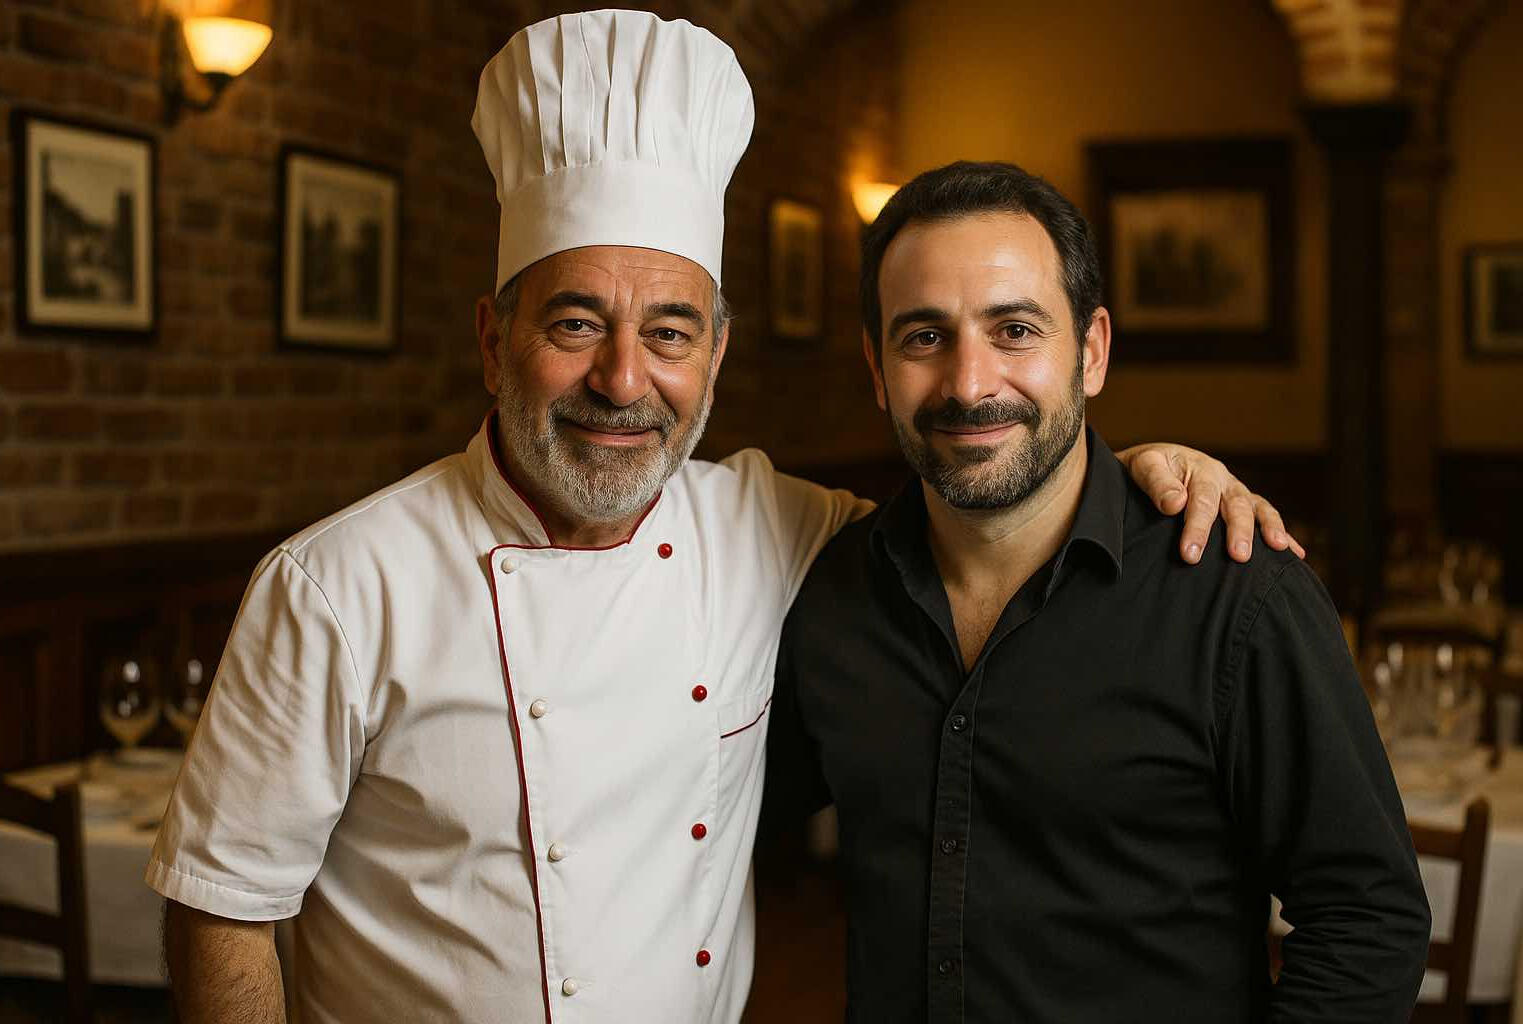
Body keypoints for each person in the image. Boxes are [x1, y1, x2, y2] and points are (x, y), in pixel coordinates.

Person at [149, 14, 1297, 1024]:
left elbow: (989, 504)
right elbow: (221, 906)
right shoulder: (335, 584)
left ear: (717, 353)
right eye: (573, 323)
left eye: (669, 332)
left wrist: (1141, 471)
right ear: (494, 342)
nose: (622, 379)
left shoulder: (769, 526)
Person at [765, 160, 1432, 1023]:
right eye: (924, 337)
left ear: (1090, 352)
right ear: (876, 367)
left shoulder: (1234, 594)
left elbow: (1368, 921)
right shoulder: (828, 592)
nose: (968, 383)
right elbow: (706, 823)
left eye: (1014, 330)